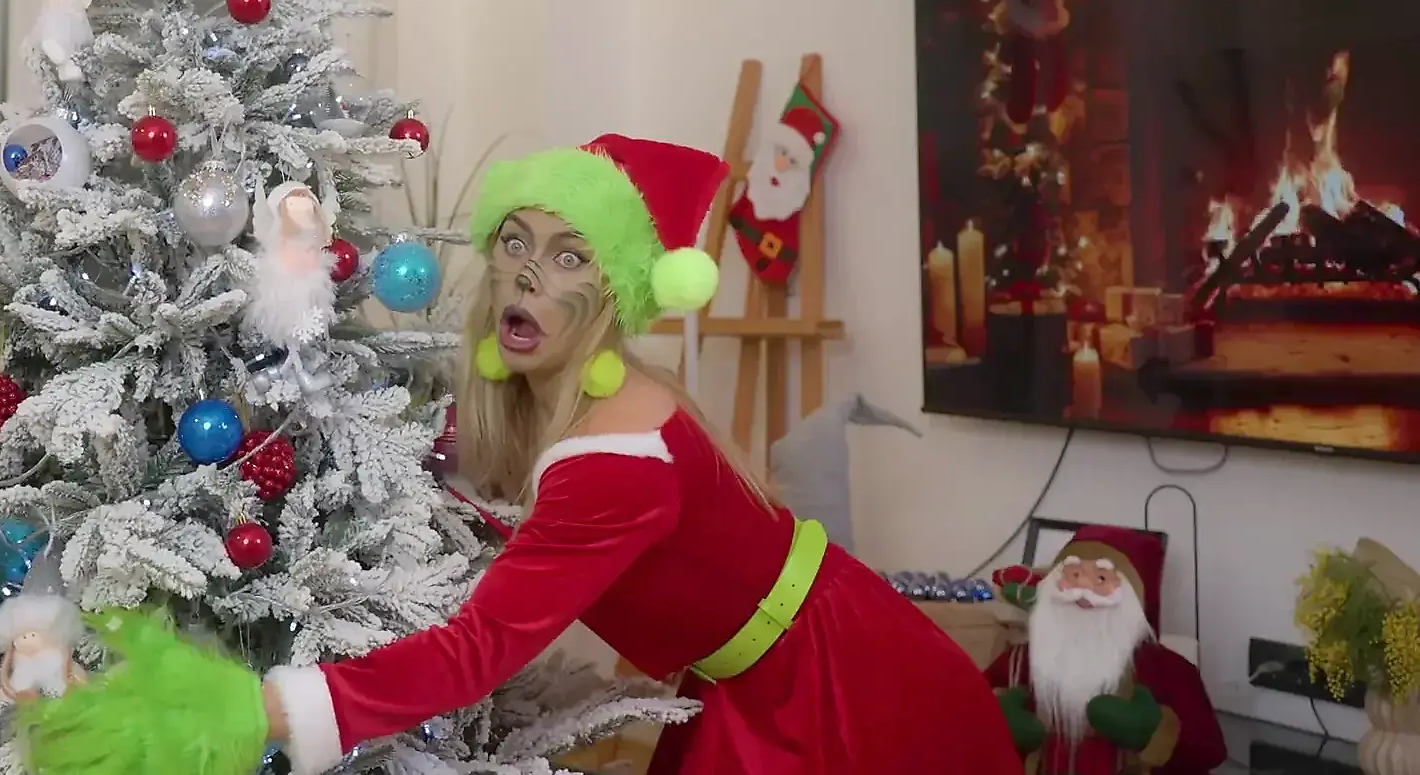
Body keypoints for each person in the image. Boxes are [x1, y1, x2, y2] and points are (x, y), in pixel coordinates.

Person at [250, 133, 1022, 774]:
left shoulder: (617, 460)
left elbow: (477, 650)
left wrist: (281, 709)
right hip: (773, 672)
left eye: (569, 257)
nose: (528, 273)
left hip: (846, 688)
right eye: (515, 243)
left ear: (614, 292)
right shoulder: (581, 406)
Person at [986, 525, 1226, 774]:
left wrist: (1155, 733)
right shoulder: (1015, 663)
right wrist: (997, 725)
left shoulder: (1169, 669)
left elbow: (1210, 751)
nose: (1082, 589)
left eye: (1101, 579)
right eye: (1074, 575)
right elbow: (968, 720)